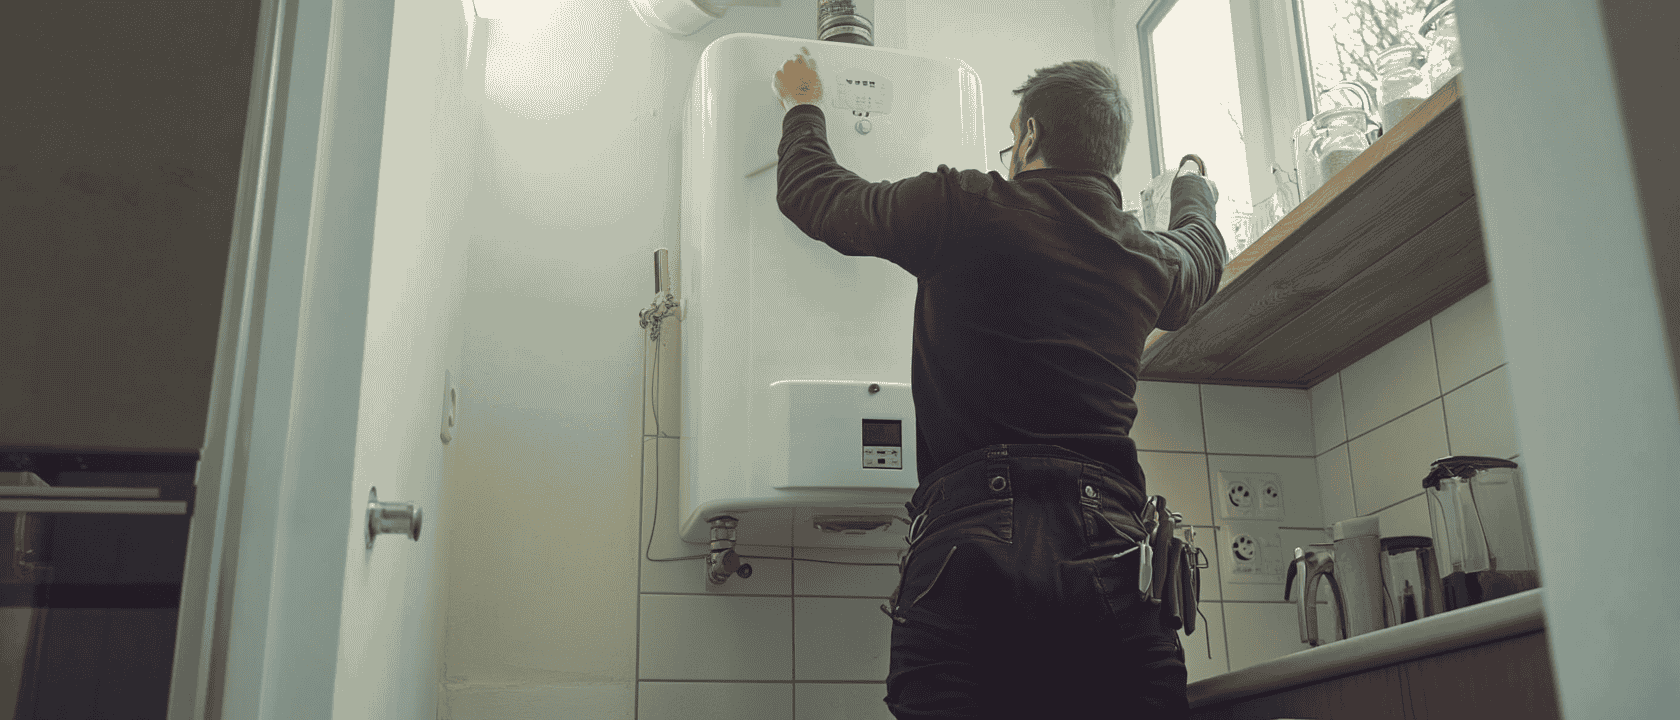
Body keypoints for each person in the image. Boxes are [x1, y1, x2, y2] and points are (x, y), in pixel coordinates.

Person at [772, 49, 1226, 719]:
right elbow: (1203, 250)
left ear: (1032, 135)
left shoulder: (965, 206)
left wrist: (804, 105)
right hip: (1111, 553)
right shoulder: (1146, 257)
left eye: (1014, 135)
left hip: (969, 549)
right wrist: (1193, 183)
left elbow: (819, 195)